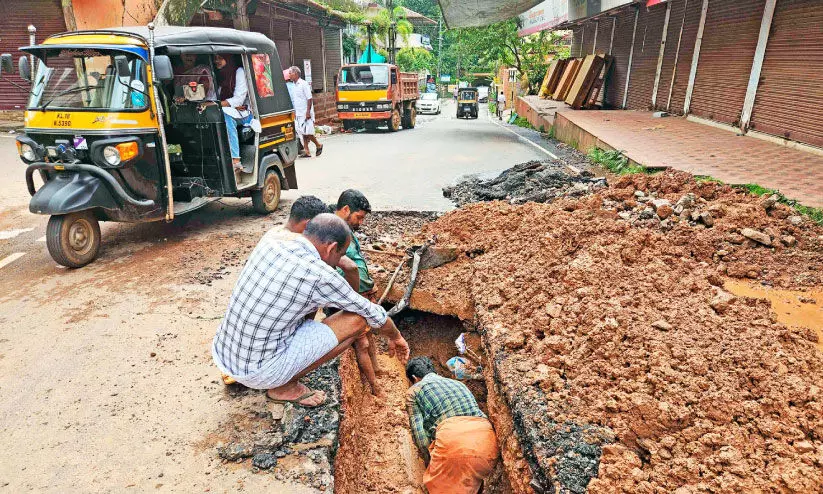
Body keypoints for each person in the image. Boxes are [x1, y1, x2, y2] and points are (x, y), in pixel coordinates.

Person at [213, 214, 409, 407]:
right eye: (339, 255)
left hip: (225, 353)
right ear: (331, 247)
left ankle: (281, 372)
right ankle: (284, 388)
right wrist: (396, 336)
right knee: (358, 321)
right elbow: (371, 312)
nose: (338, 261)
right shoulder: (320, 276)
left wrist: (331, 257)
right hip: (259, 372)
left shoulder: (273, 236)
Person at [405, 357, 499, 494]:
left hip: (455, 444)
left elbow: (420, 436)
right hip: (488, 443)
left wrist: (430, 462)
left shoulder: (413, 392)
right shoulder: (459, 384)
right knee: (470, 481)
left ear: (414, 378)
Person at [333, 189, 384, 393]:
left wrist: (369, 283)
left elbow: (357, 262)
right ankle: (374, 387)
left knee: (368, 332)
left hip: (360, 292)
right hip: (349, 296)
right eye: (359, 217)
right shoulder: (333, 233)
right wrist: (360, 290)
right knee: (361, 342)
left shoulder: (345, 230)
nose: (360, 223)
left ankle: (377, 369)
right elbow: (343, 268)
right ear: (346, 209)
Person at [215, 54, 252, 172]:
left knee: (225, 114)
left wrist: (217, 104)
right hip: (231, 109)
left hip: (245, 112)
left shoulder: (239, 72)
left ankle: (235, 159)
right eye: (215, 58)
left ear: (228, 58)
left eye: (220, 57)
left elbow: (238, 100)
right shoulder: (220, 74)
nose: (217, 61)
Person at [288, 66, 324, 158]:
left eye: (290, 73)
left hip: (305, 112)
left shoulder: (303, 84)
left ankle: (318, 145)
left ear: (295, 74)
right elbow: (296, 100)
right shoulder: (294, 85)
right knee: (301, 132)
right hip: (298, 112)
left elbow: (309, 98)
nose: (289, 75)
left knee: (308, 132)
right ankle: (307, 151)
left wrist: (308, 112)